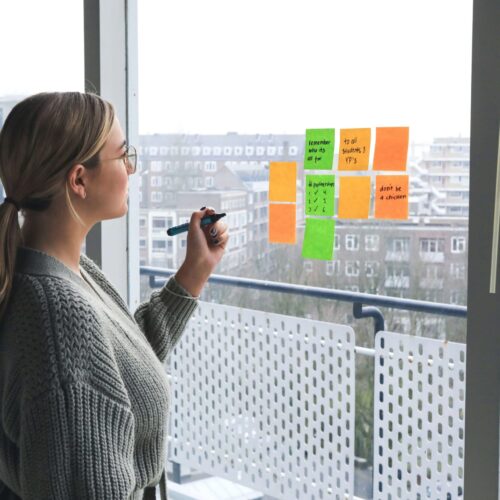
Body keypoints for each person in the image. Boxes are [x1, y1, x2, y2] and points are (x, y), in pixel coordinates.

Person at [0, 92, 228, 500]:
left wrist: (194, 272)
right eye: (123, 156)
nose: (132, 169)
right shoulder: (59, 318)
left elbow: (116, 370)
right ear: (79, 180)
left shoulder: (59, 270)